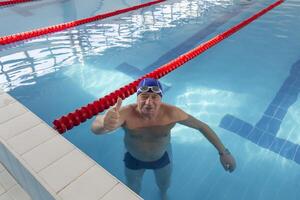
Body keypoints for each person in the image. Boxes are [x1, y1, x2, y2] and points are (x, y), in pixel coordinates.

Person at [91, 78, 236, 200]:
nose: (148, 102)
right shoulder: (127, 113)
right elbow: (96, 128)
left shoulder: (171, 113)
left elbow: (201, 126)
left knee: (164, 185)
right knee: (132, 187)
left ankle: (163, 195)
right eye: (144, 97)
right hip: (133, 159)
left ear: (161, 99)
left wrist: (224, 153)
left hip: (162, 159)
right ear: (137, 98)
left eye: (154, 97)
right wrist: (104, 124)